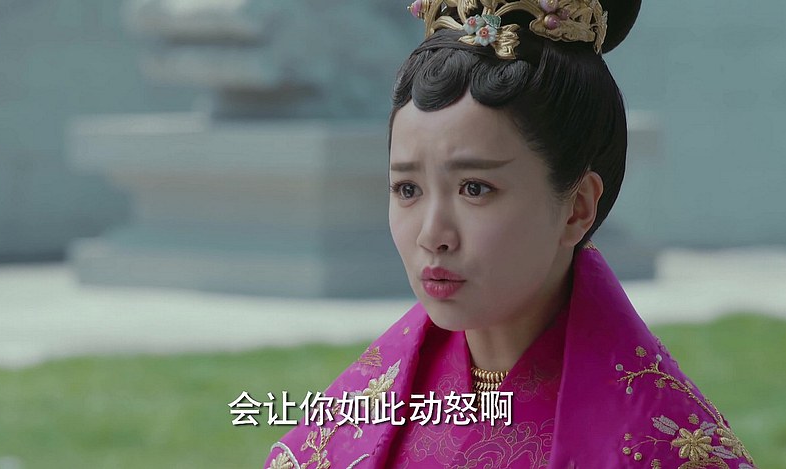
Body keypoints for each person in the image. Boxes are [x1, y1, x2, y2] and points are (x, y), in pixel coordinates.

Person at [264, 1, 756, 467]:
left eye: (475, 188)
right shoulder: (347, 426)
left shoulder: (665, 449)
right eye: (407, 189)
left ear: (577, 208)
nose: (433, 235)